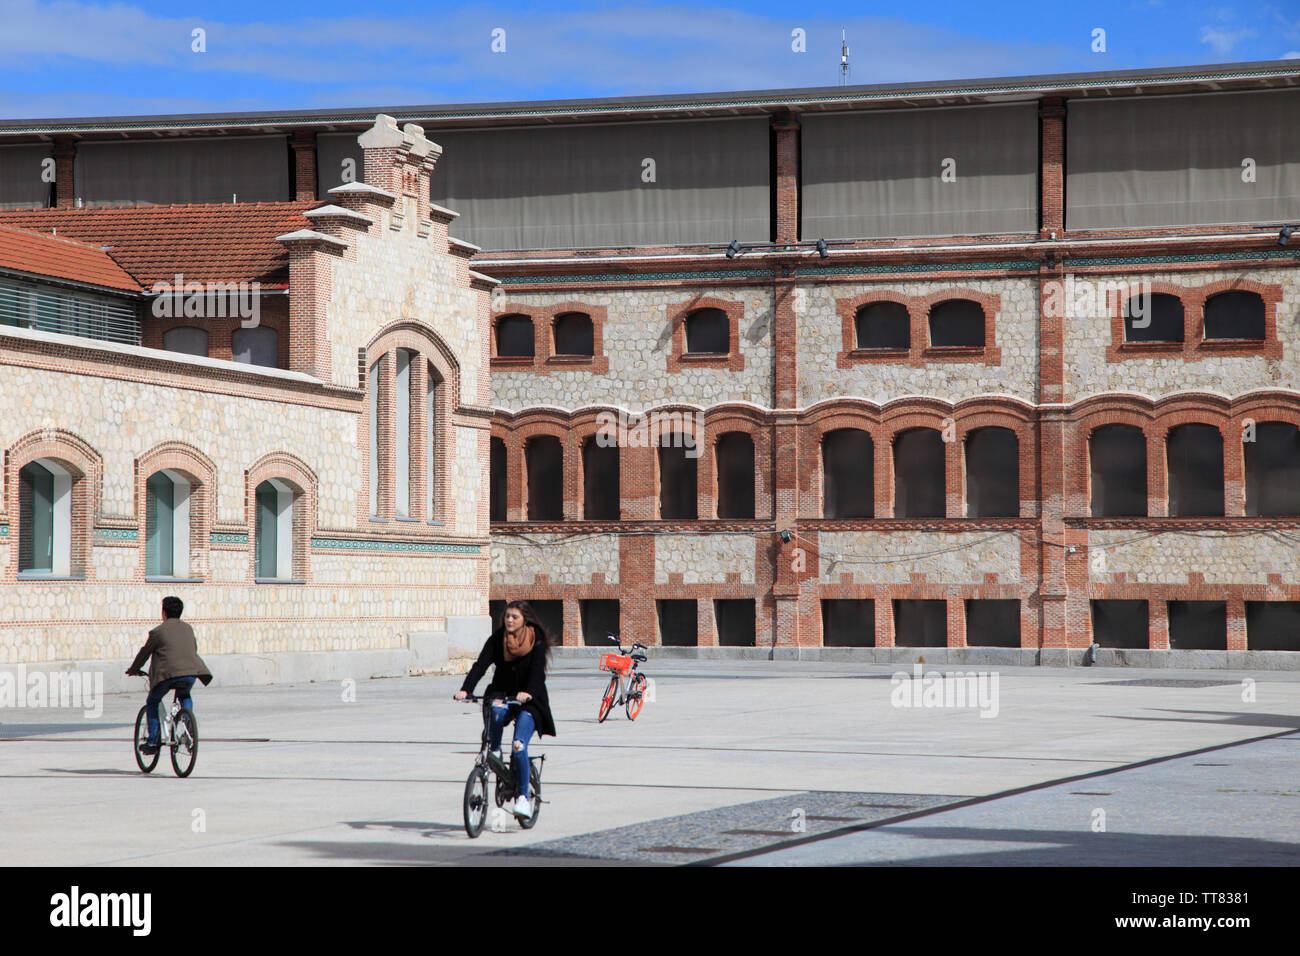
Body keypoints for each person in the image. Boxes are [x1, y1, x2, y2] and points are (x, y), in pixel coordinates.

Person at [454, 600, 556, 820]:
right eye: (507, 616)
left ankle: (522, 797)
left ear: (524, 619)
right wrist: (465, 689)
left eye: (515, 617)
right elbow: (480, 666)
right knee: (496, 711)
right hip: (502, 693)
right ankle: (496, 751)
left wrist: (528, 691)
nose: (509, 620)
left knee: (519, 746)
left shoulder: (535, 639)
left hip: (529, 700)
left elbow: (538, 672)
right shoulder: (498, 639)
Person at [125, 596, 213, 754]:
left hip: (168, 675)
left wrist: (134, 668)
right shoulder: (188, 628)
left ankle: (152, 742)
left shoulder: (158, 632)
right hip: (191, 672)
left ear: (163, 612)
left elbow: (144, 653)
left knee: (152, 701)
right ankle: (189, 729)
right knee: (185, 696)